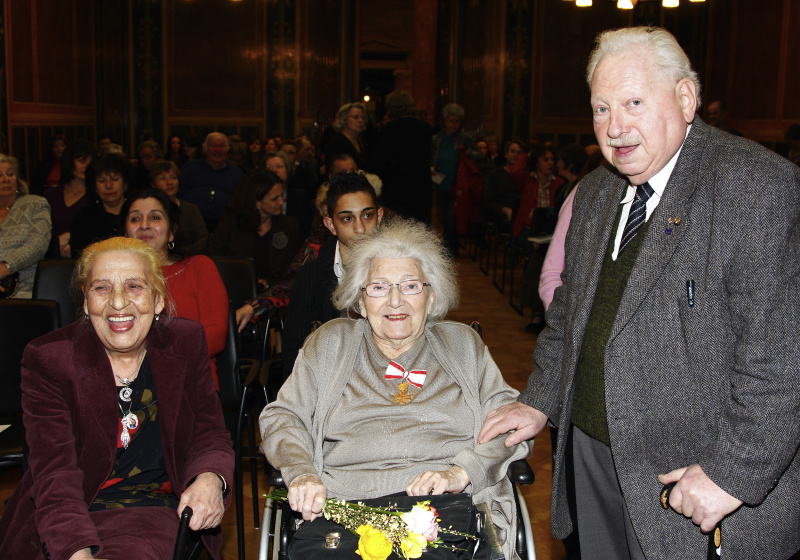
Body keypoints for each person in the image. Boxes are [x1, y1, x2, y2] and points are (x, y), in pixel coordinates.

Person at [479, 26, 800, 560]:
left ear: (686, 97)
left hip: (693, 478)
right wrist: (540, 400)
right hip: (591, 461)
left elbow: (784, 357)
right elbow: (568, 318)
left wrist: (732, 474)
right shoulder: (598, 191)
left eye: (633, 102)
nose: (616, 127)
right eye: (601, 109)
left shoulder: (757, 187)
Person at [260, 219, 532, 560]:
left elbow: (512, 421)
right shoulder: (330, 344)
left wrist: (462, 472)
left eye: (410, 286)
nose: (395, 301)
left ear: (431, 298)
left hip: (446, 506)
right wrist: (301, 472)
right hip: (345, 506)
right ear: (359, 302)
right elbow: (283, 416)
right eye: (378, 287)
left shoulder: (462, 346)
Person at [0, 237, 234, 560]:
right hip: (69, 510)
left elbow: (210, 433)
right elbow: (55, 475)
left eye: (134, 286)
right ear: (85, 302)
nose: (118, 303)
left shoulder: (186, 342)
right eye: (102, 288)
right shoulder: (49, 359)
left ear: (158, 300)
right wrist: (75, 551)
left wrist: (211, 476)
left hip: (149, 507)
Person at [123, 188, 228, 390]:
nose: (144, 225)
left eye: (154, 217)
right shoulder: (112, 277)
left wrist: (159, 360)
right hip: (127, 382)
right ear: (125, 233)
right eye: (135, 219)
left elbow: (216, 335)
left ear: (172, 232)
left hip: (189, 380)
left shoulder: (198, 267)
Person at [281, 170, 384, 376]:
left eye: (367, 215)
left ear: (379, 217)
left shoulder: (401, 272)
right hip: (326, 386)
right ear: (330, 225)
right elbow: (294, 357)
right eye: (347, 218)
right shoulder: (310, 277)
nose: (360, 228)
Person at [207, 169, 301, 290]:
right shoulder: (231, 221)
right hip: (234, 288)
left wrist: (268, 284)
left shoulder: (289, 226)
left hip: (273, 294)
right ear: (257, 203)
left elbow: (291, 270)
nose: (282, 202)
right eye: (274, 199)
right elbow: (214, 257)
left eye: (282, 196)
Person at [369, 90, 433, 224]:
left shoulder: (390, 129)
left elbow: (380, 161)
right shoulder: (425, 129)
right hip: (421, 187)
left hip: (396, 188)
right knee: (420, 227)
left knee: (397, 226)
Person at [431, 103, 482, 256]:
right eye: (451, 121)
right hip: (440, 183)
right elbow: (432, 159)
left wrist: (468, 153)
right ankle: (451, 245)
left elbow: (479, 155)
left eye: (456, 121)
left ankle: (449, 248)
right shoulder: (436, 138)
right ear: (445, 121)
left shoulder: (465, 138)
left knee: (452, 215)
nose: (453, 124)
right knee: (446, 216)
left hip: (458, 184)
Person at [0, 154, 51, 298]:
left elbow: (37, 245)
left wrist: (6, 267)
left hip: (26, 288)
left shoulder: (35, 204)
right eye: (0, 175)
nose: (6, 179)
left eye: (10, 174)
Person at [70, 152, 132, 258]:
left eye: (115, 179)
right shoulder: (84, 218)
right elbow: (79, 257)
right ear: (94, 187)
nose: (109, 186)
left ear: (125, 183)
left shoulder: (137, 213)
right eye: (102, 181)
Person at [179, 132, 245, 231]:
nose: (218, 150)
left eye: (222, 146)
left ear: (227, 150)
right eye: (213, 146)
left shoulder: (237, 173)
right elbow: (178, 194)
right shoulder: (190, 167)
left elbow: (242, 201)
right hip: (191, 224)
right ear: (205, 149)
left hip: (224, 225)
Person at [43, 139, 95, 258]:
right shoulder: (50, 195)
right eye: (81, 160)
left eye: (90, 161)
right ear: (70, 162)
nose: (86, 165)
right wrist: (55, 242)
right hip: (51, 257)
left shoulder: (95, 197)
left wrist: (73, 238)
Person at [150, 160, 209, 254]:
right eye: (162, 178)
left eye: (173, 177)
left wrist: (186, 251)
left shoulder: (190, 209)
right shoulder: (148, 211)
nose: (169, 182)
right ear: (153, 184)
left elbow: (203, 238)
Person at [483, 140, 525, 226]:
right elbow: (488, 202)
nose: (515, 155)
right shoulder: (496, 175)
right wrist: (504, 210)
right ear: (506, 154)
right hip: (502, 217)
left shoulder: (526, 175)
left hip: (523, 215)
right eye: (512, 151)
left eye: (519, 153)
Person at [325, 102, 370, 170]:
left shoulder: (360, 141)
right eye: (355, 117)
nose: (360, 120)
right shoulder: (337, 142)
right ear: (344, 119)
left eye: (363, 118)